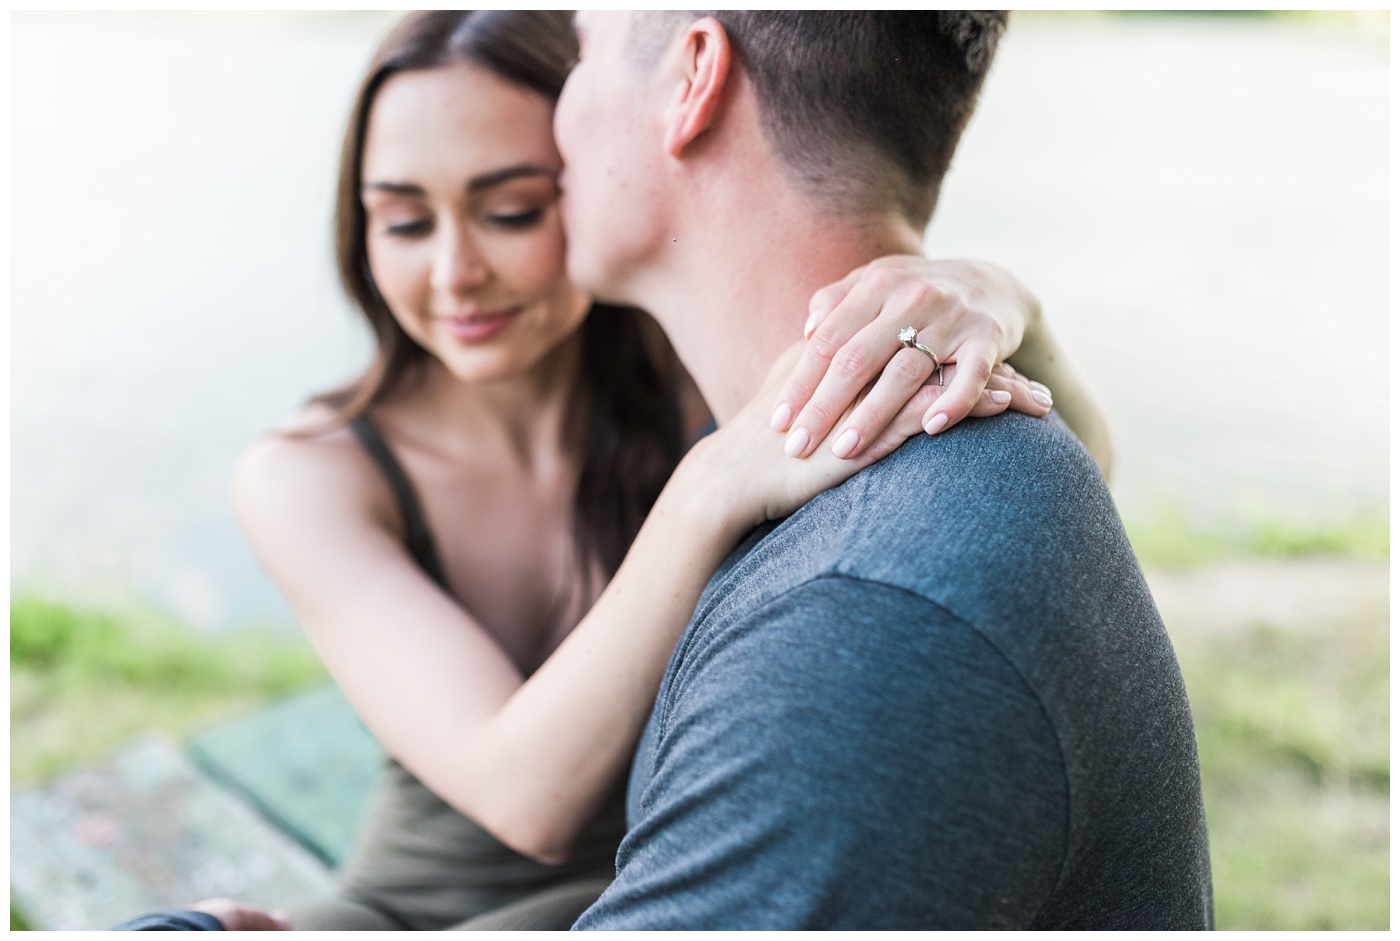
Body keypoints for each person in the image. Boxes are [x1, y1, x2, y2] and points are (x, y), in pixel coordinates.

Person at [232, 10, 1108, 932]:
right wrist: (701, 493)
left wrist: (999, 299)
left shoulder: (712, 379)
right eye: (403, 220)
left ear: (585, 166)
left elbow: (1080, 460)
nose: (455, 273)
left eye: (511, 211)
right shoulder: (312, 476)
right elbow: (523, 793)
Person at [552, 11, 1213, 929]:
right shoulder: (937, 476)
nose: (557, 107)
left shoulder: (860, 619)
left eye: (580, 49)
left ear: (693, 74)